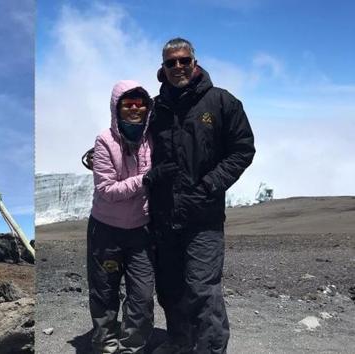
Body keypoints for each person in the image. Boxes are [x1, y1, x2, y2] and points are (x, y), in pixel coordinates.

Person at [144, 38, 255, 354]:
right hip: (164, 217)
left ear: (195, 62)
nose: (178, 67)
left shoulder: (221, 103)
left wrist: (209, 186)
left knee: (202, 289)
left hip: (203, 217)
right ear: (162, 69)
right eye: (171, 63)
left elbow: (242, 149)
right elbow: (134, 142)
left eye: (184, 60)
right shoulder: (156, 108)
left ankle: (209, 348)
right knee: (169, 286)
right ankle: (180, 341)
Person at [88, 80, 155, 354]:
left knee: (142, 295)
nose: (135, 108)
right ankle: (105, 344)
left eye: (140, 103)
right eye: (128, 104)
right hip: (106, 230)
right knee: (104, 291)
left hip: (141, 230)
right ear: (117, 107)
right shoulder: (105, 140)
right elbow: (107, 190)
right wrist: (146, 180)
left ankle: (132, 348)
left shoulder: (153, 138)